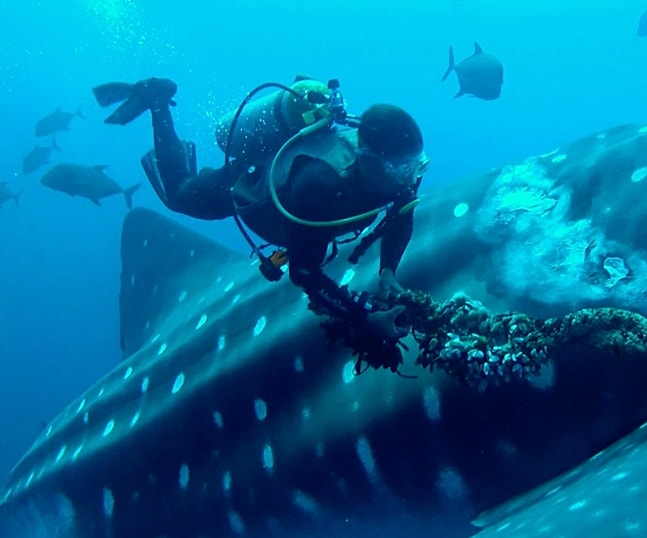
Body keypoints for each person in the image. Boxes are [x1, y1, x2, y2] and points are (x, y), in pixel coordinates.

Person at [92, 77, 428, 343]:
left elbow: (403, 211)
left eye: (412, 165)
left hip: (308, 210)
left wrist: (388, 272)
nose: (409, 176)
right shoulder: (319, 184)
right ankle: (158, 102)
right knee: (180, 196)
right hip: (252, 190)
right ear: (368, 159)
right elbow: (304, 273)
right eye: (400, 167)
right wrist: (364, 319)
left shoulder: (399, 173)